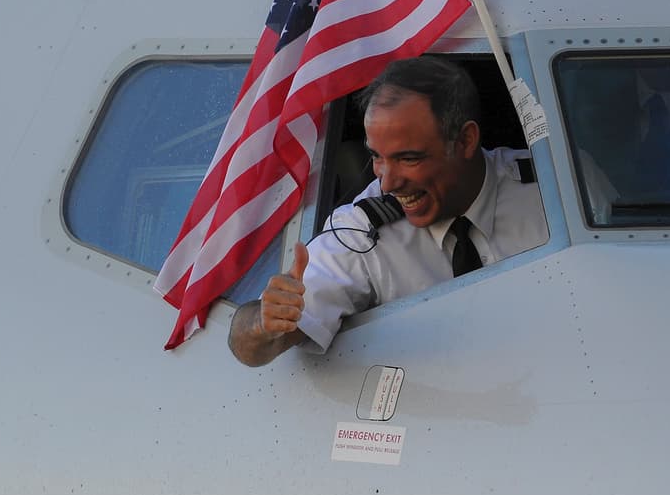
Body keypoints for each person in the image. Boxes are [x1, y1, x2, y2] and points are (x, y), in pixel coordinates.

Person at [227, 56, 548, 367]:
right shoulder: (363, 229)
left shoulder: (551, 188)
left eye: (408, 158)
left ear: (465, 140)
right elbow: (251, 348)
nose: (388, 183)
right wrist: (263, 323)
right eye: (377, 157)